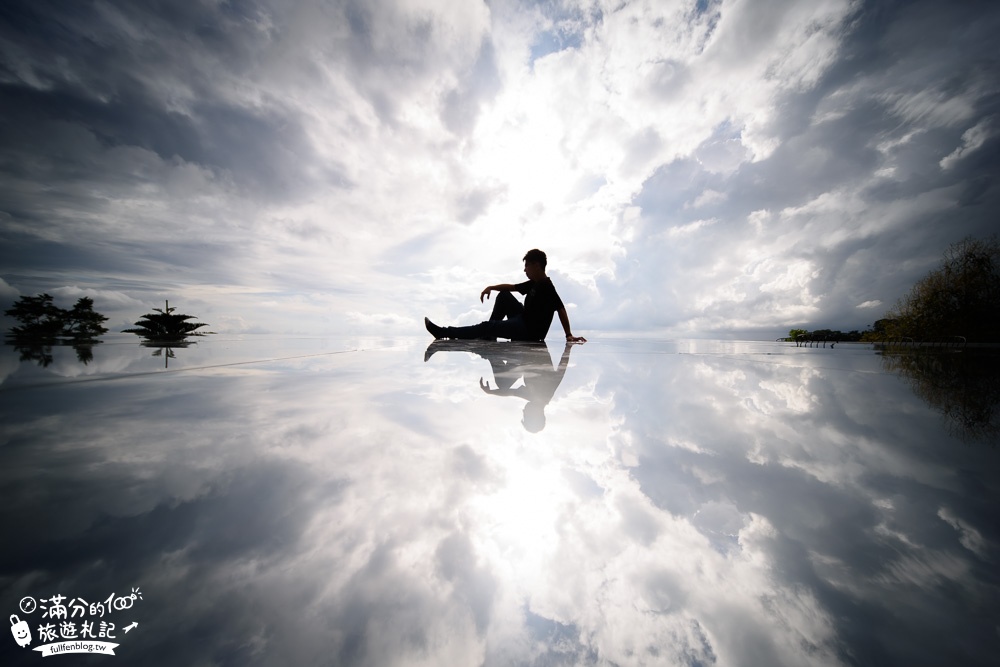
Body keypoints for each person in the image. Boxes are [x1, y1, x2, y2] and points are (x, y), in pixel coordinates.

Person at [424, 249, 587, 343]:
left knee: (486, 326)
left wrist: (568, 335)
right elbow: (511, 287)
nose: (525, 270)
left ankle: (444, 332)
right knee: (504, 295)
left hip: (528, 332)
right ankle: (490, 335)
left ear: (536, 265)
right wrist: (491, 287)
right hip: (524, 318)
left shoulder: (547, 286)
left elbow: (560, 309)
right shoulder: (534, 283)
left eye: (527, 266)